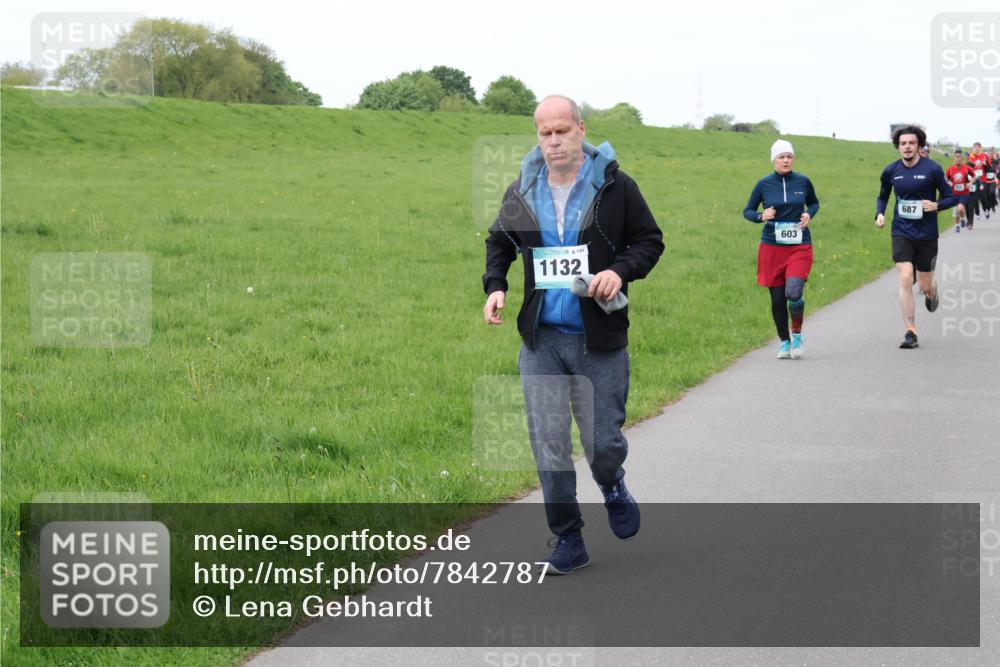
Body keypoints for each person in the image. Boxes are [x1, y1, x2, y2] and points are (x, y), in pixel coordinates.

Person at [482, 95, 664, 575]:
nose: (554, 140)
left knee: (602, 442)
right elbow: (498, 241)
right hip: (541, 339)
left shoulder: (615, 186)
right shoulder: (522, 189)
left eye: (563, 130)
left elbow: (649, 240)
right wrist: (496, 286)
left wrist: (620, 272)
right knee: (549, 442)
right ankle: (568, 538)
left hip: (597, 338)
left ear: (581, 130)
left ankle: (611, 483)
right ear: (537, 136)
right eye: (545, 133)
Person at [875, 125, 955, 349]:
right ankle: (910, 330)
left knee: (924, 285)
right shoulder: (891, 171)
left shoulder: (933, 169)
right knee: (905, 276)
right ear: (898, 146)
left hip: (927, 233)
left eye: (911, 143)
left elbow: (951, 197)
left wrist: (937, 205)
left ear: (919, 146)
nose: (907, 147)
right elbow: (882, 196)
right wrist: (879, 213)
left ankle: (932, 290)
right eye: (903, 143)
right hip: (901, 230)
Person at [742, 139, 819, 359]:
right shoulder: (763, 184)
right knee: (777, 299)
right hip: (772, 247)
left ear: (793, 158)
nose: (785, 160)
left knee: (793, 292)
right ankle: (784, 342)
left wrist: (808, 214)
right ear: (773, 160)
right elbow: (747, 210)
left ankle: (797, 335)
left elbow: (814, 203)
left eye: (789, 156)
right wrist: (760, 216)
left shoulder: (803, 182)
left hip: (799, 246)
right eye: (781, 157)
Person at [945, 149, 976, 232]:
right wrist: (949, 183)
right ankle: (957, 224)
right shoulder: (950, 170)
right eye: (956, 157)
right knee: (955, 212)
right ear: (953, 158)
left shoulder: (966, 168)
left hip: (964, 194)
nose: (958, 159)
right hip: (953, 194)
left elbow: (974, 176)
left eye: (959, 157)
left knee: (960, 209)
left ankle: (962, 218)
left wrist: (970, 183)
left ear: (961, 158)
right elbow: (945, 180)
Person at [967, 142, 992, 221]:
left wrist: (985, 164)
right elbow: (967, 169)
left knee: (983, 197)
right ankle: (977, 213)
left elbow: (990, 168)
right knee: (975, 198)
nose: (977, 149)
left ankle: (985, 210)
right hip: (974, 180)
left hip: (983, 179)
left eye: (978, 147)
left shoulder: (984, 156)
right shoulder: (970, 157)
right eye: (975, 147)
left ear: (980, 148)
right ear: (972, 149)